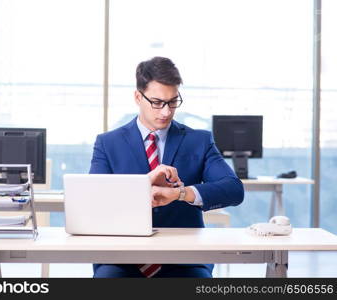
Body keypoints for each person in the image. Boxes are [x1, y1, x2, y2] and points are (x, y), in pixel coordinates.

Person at [89, 56, 244, 278]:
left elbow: (233, 189)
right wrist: (145, 183)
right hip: (122, 259)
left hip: (186, 260)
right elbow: (95, 201)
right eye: (157, 102)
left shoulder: (198, 140)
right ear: (137, 97)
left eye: (173, 102)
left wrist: (180, 193)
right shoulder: (108, 143)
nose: (166, 112)